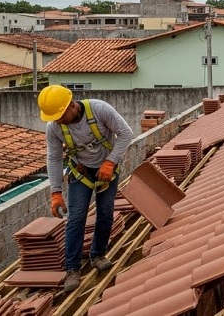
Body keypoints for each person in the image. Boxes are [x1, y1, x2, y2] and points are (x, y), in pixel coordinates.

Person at [38, 85, 133, 292]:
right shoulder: (54, 127)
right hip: (81, 173)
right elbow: (54, 158)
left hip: (106, 171)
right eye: (54, 117)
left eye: (60, 115)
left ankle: (97, 254)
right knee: (76, 218)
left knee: (106, 214)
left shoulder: (100, 110)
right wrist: (55, 192)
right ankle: (72, 268)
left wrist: (111, 162)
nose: (58, 120)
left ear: (72, 105)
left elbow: (126, 133)